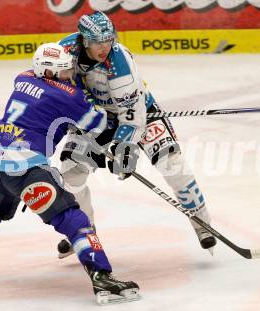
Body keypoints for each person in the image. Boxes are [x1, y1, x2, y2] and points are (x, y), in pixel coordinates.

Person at [0, 43, 139, 305]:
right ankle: (102, 276)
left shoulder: (23, 78)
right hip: (27, 170)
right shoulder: (68, 95)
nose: (69, 75)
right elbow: (98, 124)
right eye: (63, 71)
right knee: (72, 218)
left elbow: (44, 108)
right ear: (48, 72)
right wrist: (104, 112)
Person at [56, 11, 216, 259]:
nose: (105, 47)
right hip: (95, 118)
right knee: (71, 174)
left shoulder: (120, 62)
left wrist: (123, 146)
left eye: (109, 40)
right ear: (84, 40)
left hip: (138, 114)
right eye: (98, 42)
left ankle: (202, 224)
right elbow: (54, 88)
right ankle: (83, 232)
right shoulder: (64, 53)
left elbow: (132, 115)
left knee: (173, 165)